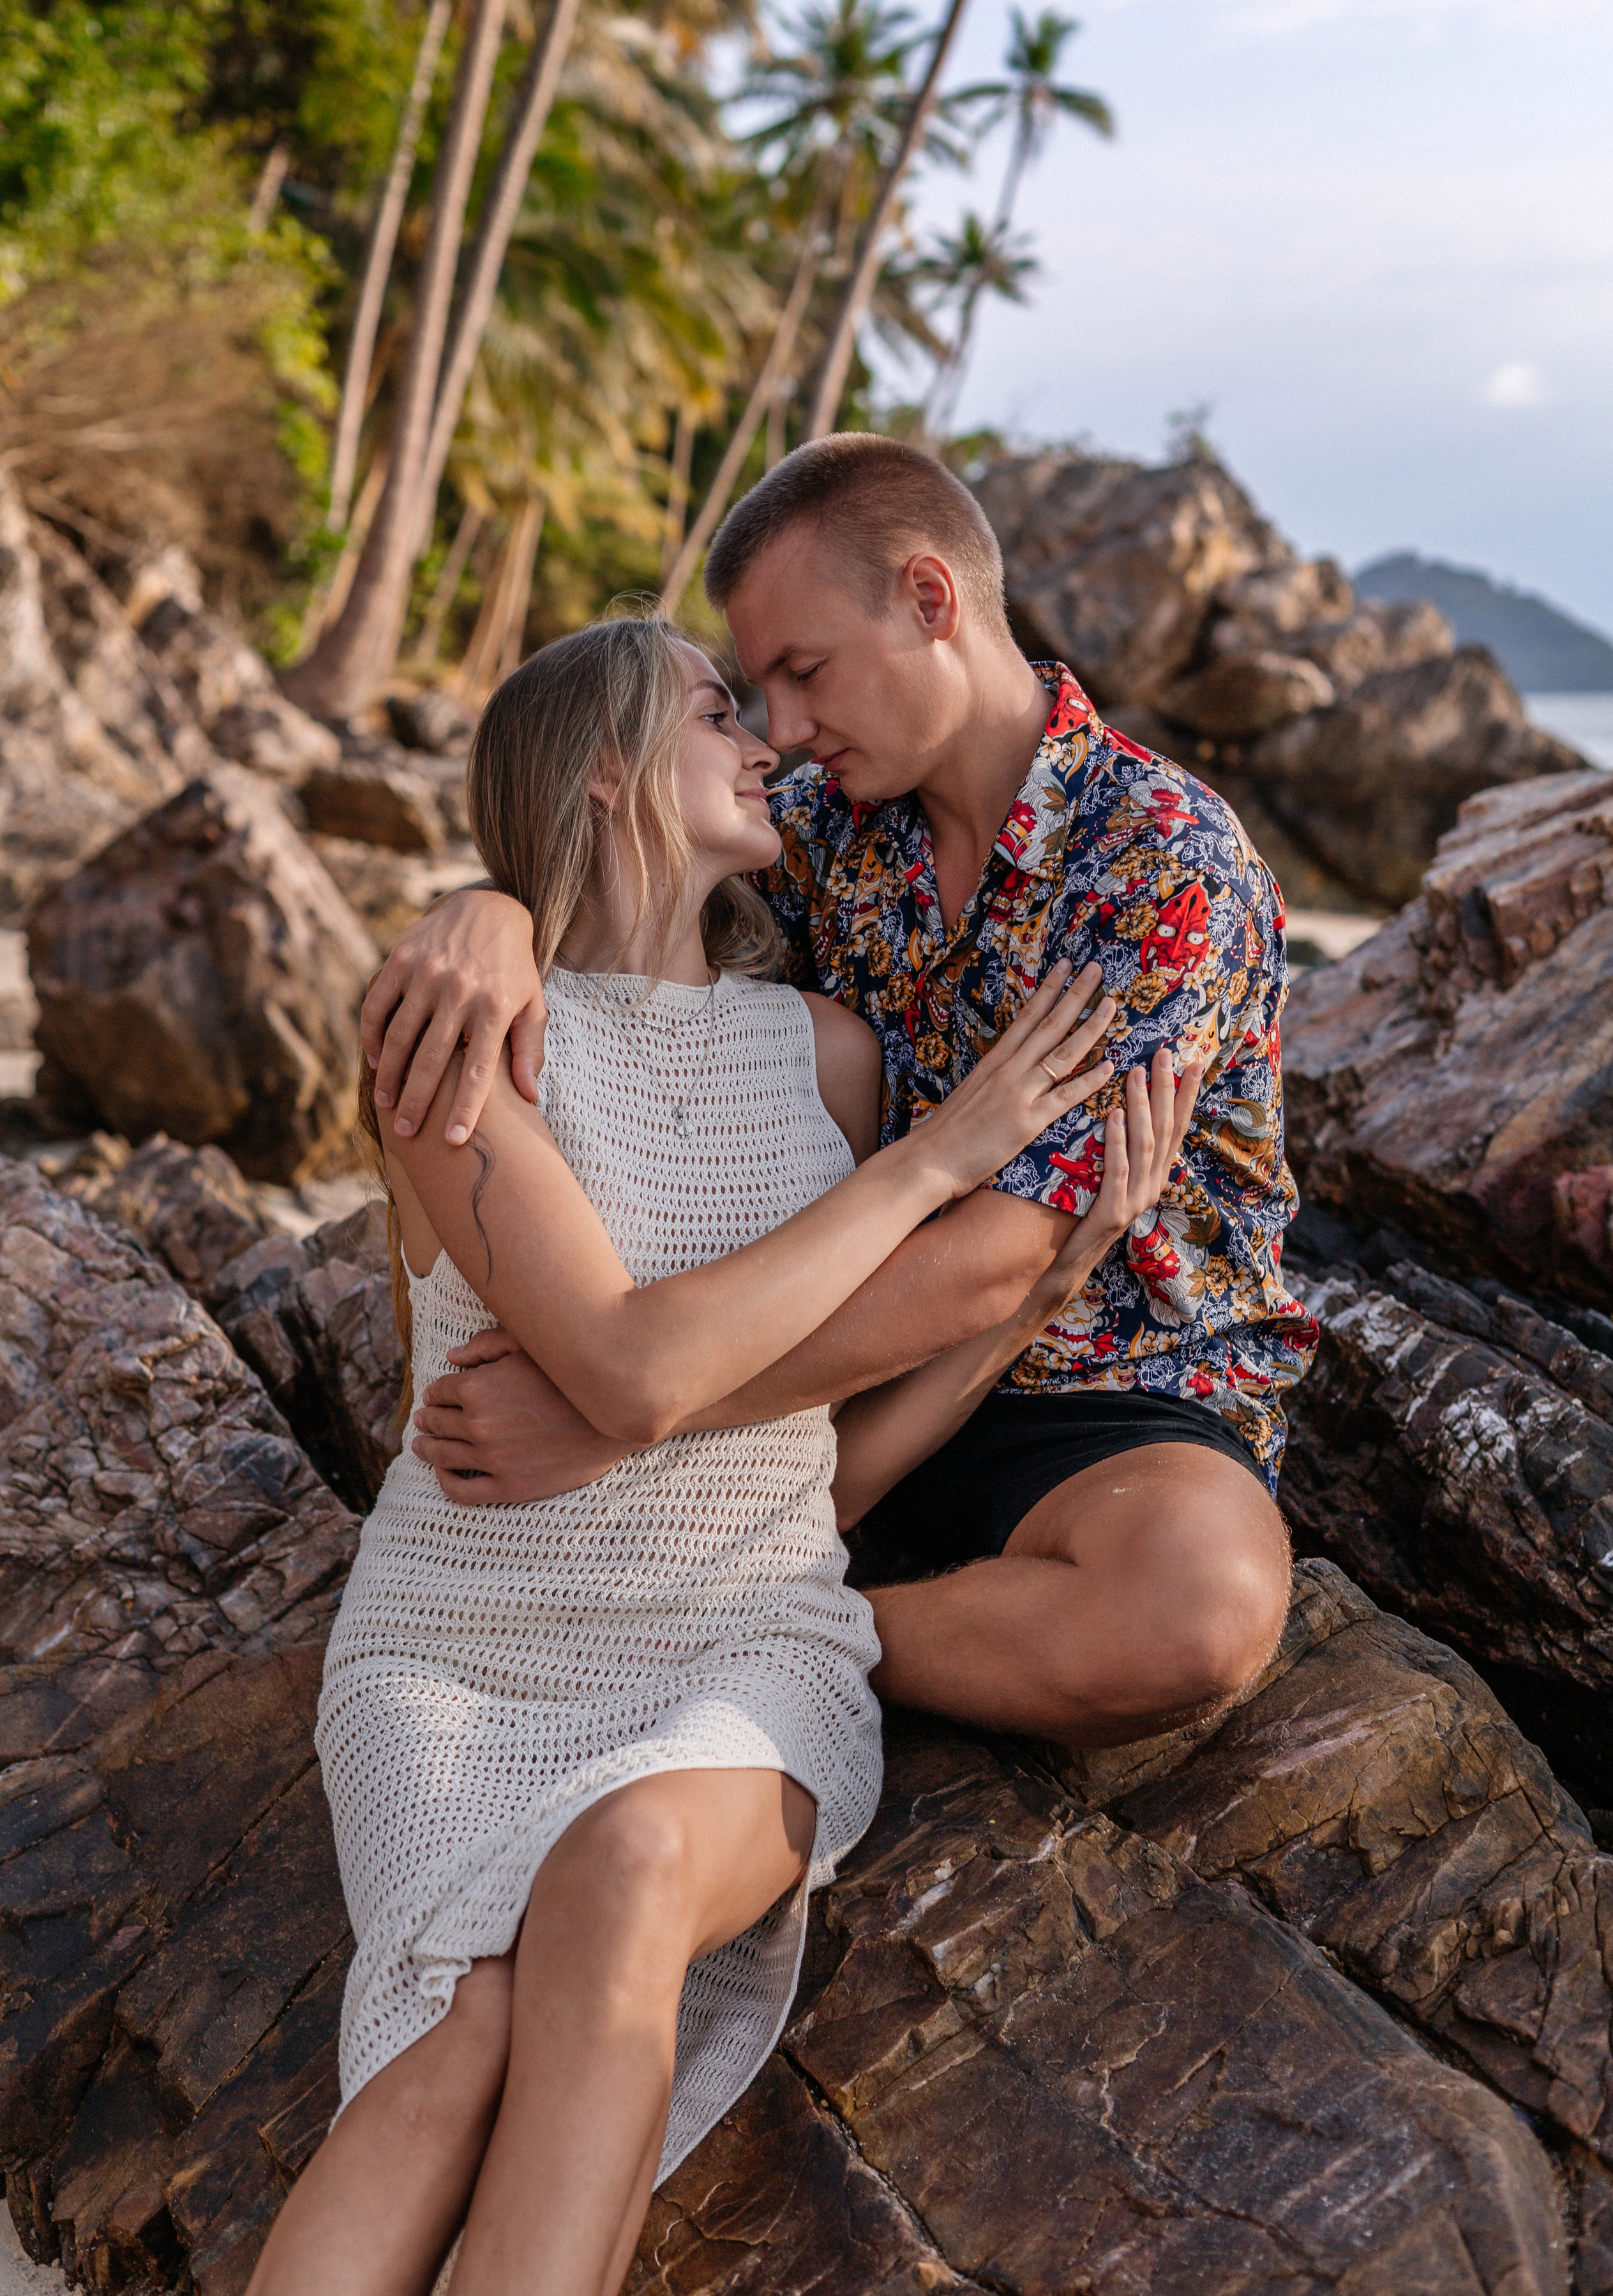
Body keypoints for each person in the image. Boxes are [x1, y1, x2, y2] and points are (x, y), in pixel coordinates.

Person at [251, 614, 1197, 2296]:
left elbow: (807, 1478)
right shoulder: (465, 1051)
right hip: (453, 1654)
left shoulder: (828, 1060)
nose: (765, 737)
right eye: (715, 711)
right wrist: (930, 1168)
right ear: (610, 771)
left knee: (616, 1883)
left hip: (743, 1644)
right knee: (454, 2035)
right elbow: (624, 1367)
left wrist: (1048, 1278)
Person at [365, 435, 1314, 1752]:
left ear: (929, 601)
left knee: (1194, 1618)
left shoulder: (1159, 865)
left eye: (803, 673)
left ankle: (766, 1633)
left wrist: (626, 1418)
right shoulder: (821, 825)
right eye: (755, 693)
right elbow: (616, 878)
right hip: (813, 1366)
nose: (784, 729)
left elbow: (1001, 1261)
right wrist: (478, 913)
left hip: (1098, 1390)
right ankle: (749, 1608)